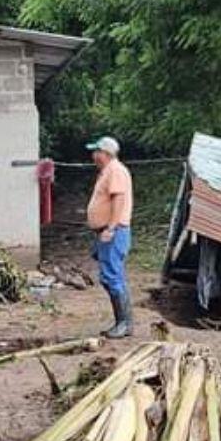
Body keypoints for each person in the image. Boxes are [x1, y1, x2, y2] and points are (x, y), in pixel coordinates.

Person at [86, 135, 133, 339]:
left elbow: (119, 201)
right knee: (111, 276)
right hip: (106, 231)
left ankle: (124, 323)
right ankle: (123, 322)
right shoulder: (108, 172)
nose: (93, 155)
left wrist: (111, 228)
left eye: (96, 151)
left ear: (105, 153)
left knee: (112, 276)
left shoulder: (115, 171)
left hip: (113, 232)